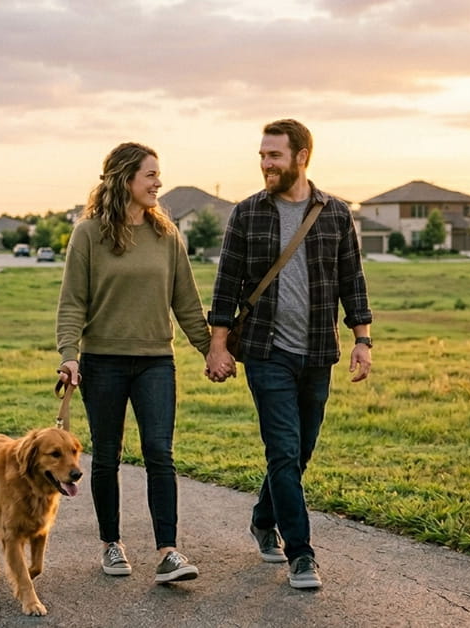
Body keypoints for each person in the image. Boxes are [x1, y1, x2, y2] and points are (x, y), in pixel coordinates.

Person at [205, 119, 373, 589]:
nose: (266, 164)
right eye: (262, 156)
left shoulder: (335, 213)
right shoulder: (247, 213)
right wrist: (217, 345)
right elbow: (226, 284)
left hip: (318, 351)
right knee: (282, 449)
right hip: (266, 350)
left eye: (274, 155)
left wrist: (362, 340)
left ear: (301, 157)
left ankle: (264, 518)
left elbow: (352, 279)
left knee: (300, 452)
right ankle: (301, 554)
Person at [56, 142, 211, 584]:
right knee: (107, 456)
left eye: (157, 174)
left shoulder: (167, 235)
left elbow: (186, 302)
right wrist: (69, 356)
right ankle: (111, 543)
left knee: (160, 452)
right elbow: (72, 302)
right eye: (150, 175)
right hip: (102, 362)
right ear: (125, 179)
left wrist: (211, 350)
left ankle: (168, 552)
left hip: (155, 361)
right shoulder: (88, 234)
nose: (158, 183)